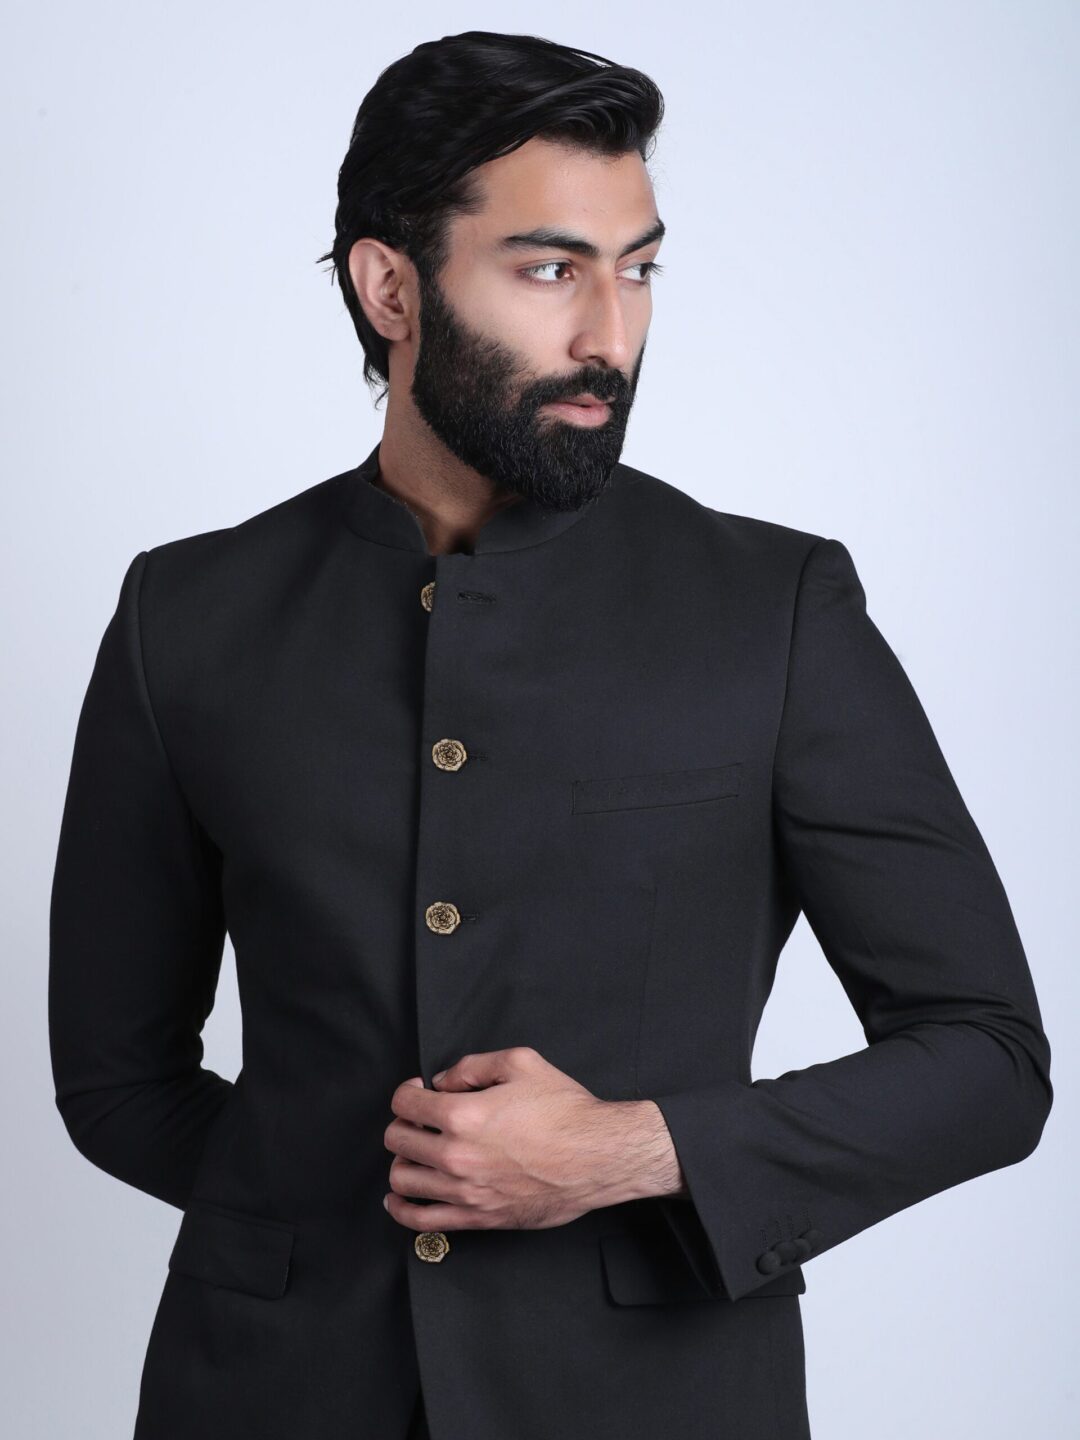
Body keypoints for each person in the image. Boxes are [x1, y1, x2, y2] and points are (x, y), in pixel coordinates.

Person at [49, 29, 1052, 1440]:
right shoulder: (188, 615)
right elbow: (116, 1079)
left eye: (638, 270)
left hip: (661, 1403)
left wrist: (630, 1152)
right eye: (549, 270)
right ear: (390, 287)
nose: (611, 337)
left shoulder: (773, 609)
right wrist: (335, 1206)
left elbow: (987, 1060)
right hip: (270, 1395)